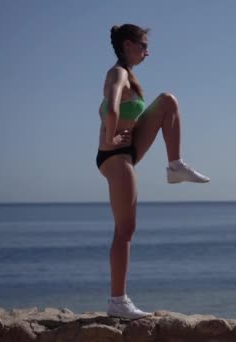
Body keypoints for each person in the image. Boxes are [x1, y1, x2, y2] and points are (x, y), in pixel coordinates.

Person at [96, 23, 210, 319]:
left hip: (128, 149)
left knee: (168, 101)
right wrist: (110, 138)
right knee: (125, 229)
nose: (148, 51)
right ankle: (117, 301)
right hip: (115, 156)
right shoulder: (117, 73)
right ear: (128, 45)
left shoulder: (130, 77)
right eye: (144, 46)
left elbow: (121, 111)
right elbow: (110, 107)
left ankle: (175, 167)